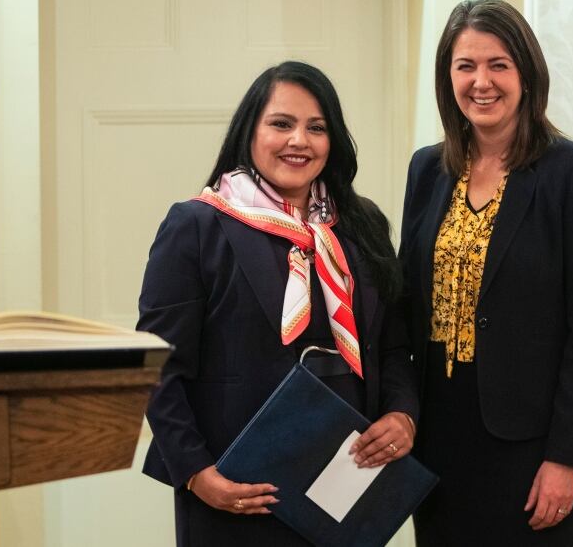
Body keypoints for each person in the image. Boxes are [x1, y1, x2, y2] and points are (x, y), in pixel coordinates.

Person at [137, 61, 419, 547]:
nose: (299, 141)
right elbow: (158, 368)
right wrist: (198, 474)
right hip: (236, 489)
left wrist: (403, 414)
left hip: (345, 482)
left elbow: (393, 346)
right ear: (250, 131)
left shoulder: (362, 225)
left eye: (317, 128)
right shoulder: (197, 227)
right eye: (281, 124)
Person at [399, 0, 573, 546]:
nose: (481, 82)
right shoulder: (427, 169)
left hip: (529, 445)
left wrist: (567, 458)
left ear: (527, 72)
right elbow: (407, 306)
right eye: (465, 65)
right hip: (436, 436)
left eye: (498, 64)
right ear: (447, 75)